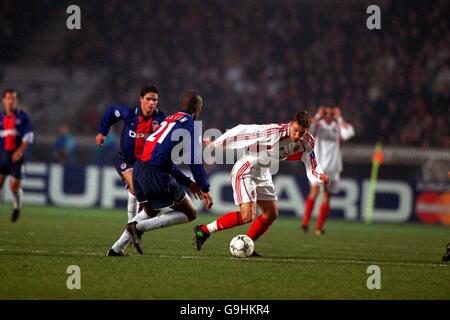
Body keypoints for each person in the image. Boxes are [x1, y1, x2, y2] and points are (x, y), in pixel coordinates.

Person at [193, 111, 329, 255]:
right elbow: (241, 131)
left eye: (301, 133)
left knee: (271, 214)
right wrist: (216, 144)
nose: (297, 136)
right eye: (295, 131)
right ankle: (203, 231)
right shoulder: (272, 132)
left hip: (264, 173)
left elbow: (311, 162)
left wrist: (319, 175)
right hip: (247, 168)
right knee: (247, 216)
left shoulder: (308, 141)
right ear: (291, 123)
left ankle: (247, 245)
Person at [107, 91, 213, 256]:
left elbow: (165, 161)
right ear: (198, 108)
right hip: (156, 174)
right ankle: (139, 227)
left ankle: (116, 249)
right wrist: (204, 186)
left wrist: (188, 183)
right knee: (191, 213)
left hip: (139, 170)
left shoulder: (168, 120)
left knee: (150, 211)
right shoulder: (190, 124)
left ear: (182, 105)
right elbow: (193, 159)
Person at [96, 85, 166, 222]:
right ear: (141, 99)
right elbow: (111, 110)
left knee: (140, 194)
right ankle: (131, 225)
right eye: (148, 99)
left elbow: (176, 131)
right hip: (125, 159)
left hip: (145, 164)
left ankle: (134, 227)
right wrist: (103, 132)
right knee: (136, 188)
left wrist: (198, 139)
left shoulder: (161, 118)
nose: (152, 103)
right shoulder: (130, 114)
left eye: (155, 100)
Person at [301, 106, 355, 235]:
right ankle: (305, 223)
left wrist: (340, 117)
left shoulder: (338, 126)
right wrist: (318, 115)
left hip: (333, 167)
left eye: (332, 113)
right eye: (327, 113)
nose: (329, 116)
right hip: (319, 166)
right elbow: (306, 128)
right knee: (314, 193)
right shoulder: (318, 125)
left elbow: (349, 132)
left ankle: (319, 227)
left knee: (326, 196)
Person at [0, 89, 34, 222]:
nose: (11, 101)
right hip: (2, 155)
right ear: (3, 100)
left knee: (14, 187)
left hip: (16, 156)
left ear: (16, 101)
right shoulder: (1, 118)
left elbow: (29, 136)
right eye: (8, 98)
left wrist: (20, 151)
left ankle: (17, 206)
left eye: (13, 98)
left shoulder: (22, 117)